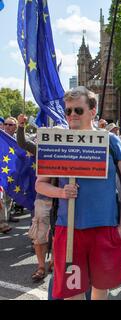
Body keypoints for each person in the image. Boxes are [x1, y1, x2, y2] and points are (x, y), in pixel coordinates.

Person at [35, 86, 121, 300]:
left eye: (77, 110)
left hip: (105, 227)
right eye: (68, 110)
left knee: (100, 288)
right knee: (73, 291)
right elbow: (40, 185)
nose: (71, 115)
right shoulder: (57, 141)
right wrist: (61, 192)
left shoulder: (110, 140)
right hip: (69, 228)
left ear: (93, 110)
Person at [16, 114, 51, 282]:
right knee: (40, 236)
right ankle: (41, 267)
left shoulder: (70, 149)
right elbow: (22, 143)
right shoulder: (41, 149)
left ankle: (53, 264)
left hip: (66, 199)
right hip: (43, 198)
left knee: (60, 236)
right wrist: (21, 126)